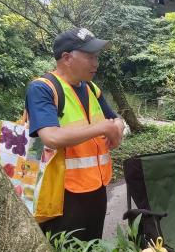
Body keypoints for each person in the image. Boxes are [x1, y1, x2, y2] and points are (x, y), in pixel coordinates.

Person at [26, 27, 125, 241]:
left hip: (96, 187)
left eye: (97, 56)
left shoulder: (91, 88)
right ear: (67, 58)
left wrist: (117, 128)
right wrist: (102, 128)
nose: (96, 63)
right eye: (89, 56)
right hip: (61, 195)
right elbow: (50, 137)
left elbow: (115, 119)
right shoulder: (42, 88)